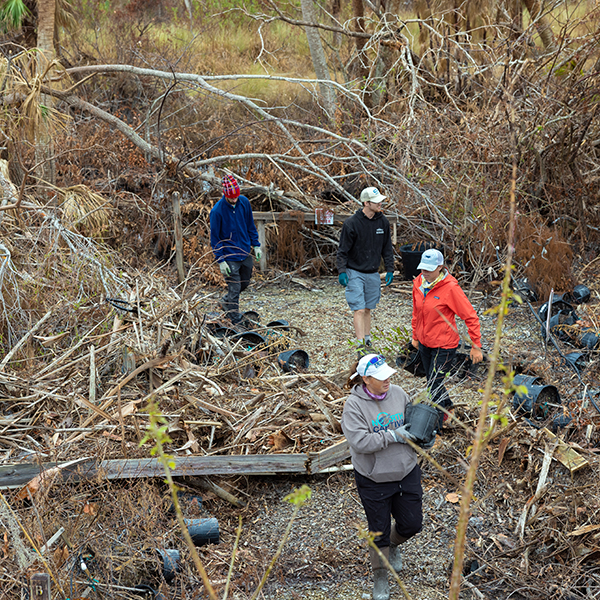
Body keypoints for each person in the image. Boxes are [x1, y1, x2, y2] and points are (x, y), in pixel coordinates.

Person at [341, 354, 433, 600]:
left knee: (412, 524)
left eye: (389, 375)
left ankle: (393, 545)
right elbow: (359, 442)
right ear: (365, 379)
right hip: (374, 478)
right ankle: (380, 577)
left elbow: (413, 425)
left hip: (405, 470)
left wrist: (425, 435)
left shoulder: (399, 394)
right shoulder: (354, 406)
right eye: (381, 377)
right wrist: (393, 436)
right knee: (378, 531)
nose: (388, 380)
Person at [411, 248, 483, 427]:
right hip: (425, 342)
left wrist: (476, 345)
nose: (424, 273)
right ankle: (448, 408)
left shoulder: (450, 288)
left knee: (435, 384)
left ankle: (437, 425)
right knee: (431, 381)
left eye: (428, 269)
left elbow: (470, 316)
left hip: (444, 345)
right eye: (422, 269)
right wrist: (415, 336)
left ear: (440, 267)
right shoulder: (418, 283)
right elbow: (416, 312)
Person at [337, 187, 395, 356]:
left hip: (373, 272)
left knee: (368, 308)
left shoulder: (382, 222)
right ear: (366, 203)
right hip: (354, 271)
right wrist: (342, 271)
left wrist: (390, 269)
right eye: (377, 201)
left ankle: (367, 340)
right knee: (359, 309)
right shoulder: (351, 224)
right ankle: (360, 345)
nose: (380, 204)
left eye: (380, 201)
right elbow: (342, 251)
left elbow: (387, 248)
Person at [210, 175, 261, 324]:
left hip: (244, 252)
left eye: (236, 197)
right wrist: (221, 261)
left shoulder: (244, 203)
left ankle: (225, 302)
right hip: (229, 256)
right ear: (225, 194)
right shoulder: (217, 211)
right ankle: (234, 320)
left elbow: (250, 225)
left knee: (244, 283)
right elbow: (215, 239)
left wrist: (256, 245)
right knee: (234, 288)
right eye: (231, 198)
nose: (234, 200)